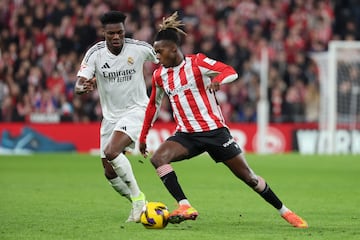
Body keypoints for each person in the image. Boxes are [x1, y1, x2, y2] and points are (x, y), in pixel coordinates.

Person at [139, 12, 308, 228]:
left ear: (174, 49)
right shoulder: (159, 75)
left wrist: (218, 80)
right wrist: (143, 136)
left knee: (249, 178)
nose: (157, 57)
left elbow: (230, 71)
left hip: (215, 132)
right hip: (186, 135)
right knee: (158, 158)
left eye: (159, 51)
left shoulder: (197, 63)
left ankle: (286, 212)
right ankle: (184, 205)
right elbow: (153, 105)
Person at [75, 11, 158, 222]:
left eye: (120, 32)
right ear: (103, 32)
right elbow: (80, 80)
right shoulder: (95, 53)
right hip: (110, 117)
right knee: (109, 173)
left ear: (124, 30)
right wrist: (81, 87)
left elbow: (165, 56)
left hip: (137, 110)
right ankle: (138, 203)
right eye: (111, 33)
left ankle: (138, 199)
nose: (116, 37)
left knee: (112, 151)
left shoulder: (139, 48)